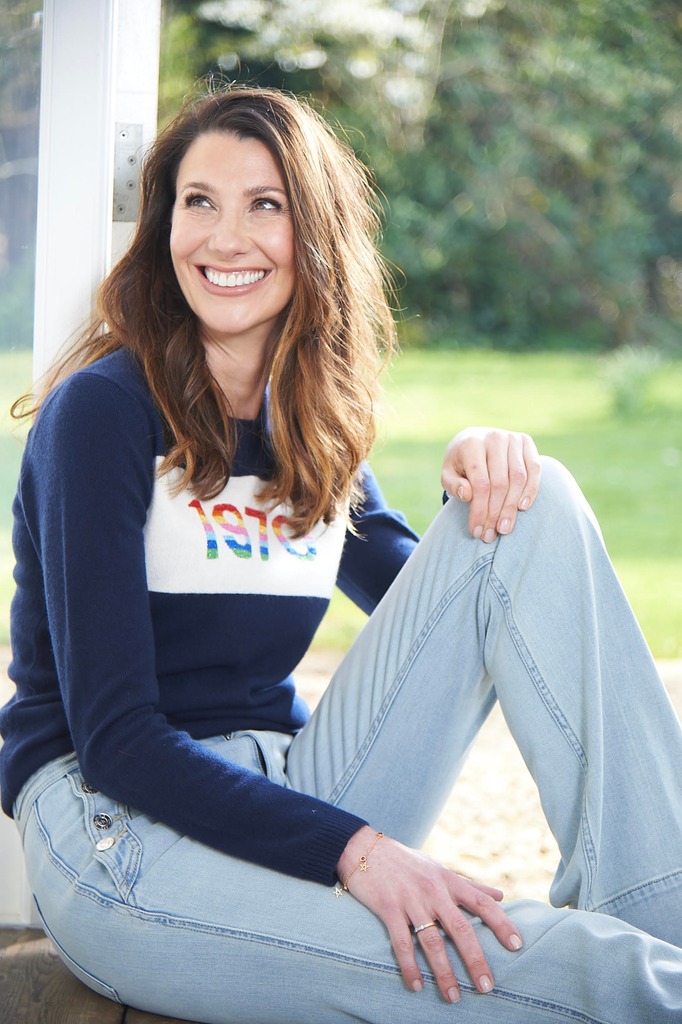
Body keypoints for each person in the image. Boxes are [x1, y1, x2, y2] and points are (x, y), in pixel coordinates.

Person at [1, 85, 682, 1024]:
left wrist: (483, 471)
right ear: (166, 224)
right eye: (198, 202)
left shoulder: (307, 427)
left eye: (264, 205)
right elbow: (118, 743)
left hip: (286, 785)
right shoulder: (104, 415)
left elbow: (462, 588)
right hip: (118, 830)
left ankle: (665, 915)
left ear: (313, 233)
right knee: (520, 958)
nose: (223, 238)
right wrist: (362, 851)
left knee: (536, 502)